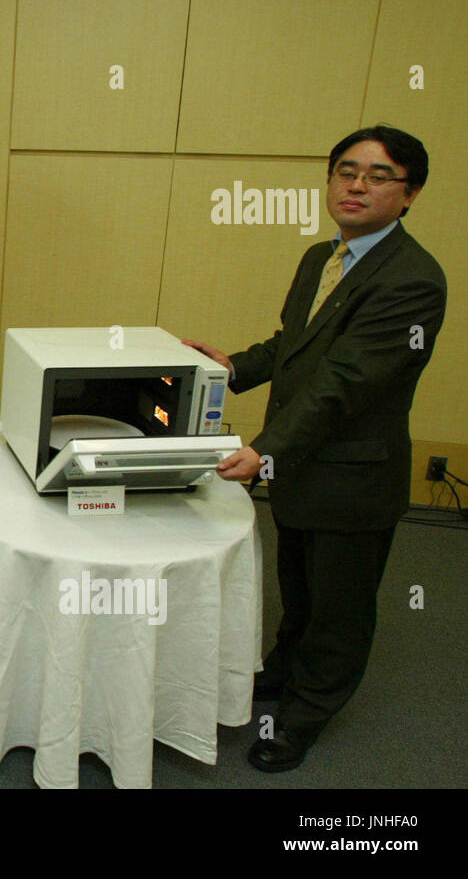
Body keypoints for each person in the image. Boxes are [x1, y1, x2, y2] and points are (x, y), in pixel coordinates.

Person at [185, 125, 446, 773]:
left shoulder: (413, 280)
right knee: (298, 587)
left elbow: (344, 381)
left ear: (409, 193)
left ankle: (302, 718)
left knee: (339, 608)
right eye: (345, 170)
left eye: (378, 175)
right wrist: (234, 367)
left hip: (353, 477)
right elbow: (294, 346)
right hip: (301, 466)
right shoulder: (320, 258)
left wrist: (262, 448)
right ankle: (283, 669)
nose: (356, 184)